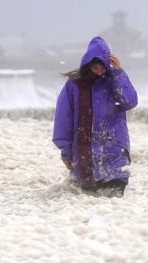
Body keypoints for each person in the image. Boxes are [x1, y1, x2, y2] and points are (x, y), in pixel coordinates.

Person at [52, 36, 138, 197]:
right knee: (88, 207)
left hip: (115, 155)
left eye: (102, 68)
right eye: (95, 68)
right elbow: (64, 119)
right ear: (88, 66)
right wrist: (66, 152)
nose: (99, 72)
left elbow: (130, 101)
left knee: (115, 206)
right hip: (84, 159)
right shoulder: (74, 85)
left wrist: (118, 73)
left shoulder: (115, 81)